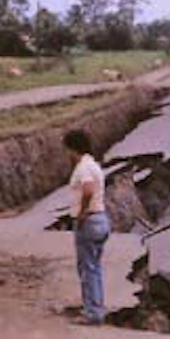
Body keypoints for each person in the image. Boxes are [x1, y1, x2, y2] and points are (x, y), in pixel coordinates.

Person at [64, 130, 110, 325]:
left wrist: (82, 213)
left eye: (67, 150)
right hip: (100, 219)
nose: (67, 154)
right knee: (94, 267)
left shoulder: (84, 167)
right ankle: (96, 307)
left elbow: (88, 190)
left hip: (89, 221)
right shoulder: (93, 164)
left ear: (74, 149)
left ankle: (93, 313)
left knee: (87, 268)